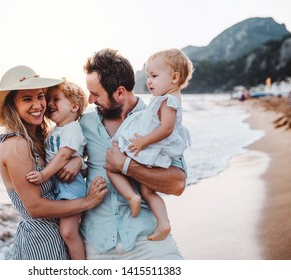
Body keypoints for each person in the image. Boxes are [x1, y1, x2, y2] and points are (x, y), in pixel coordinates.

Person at [0, 65, 107, 260]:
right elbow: (36, 208)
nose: (38, 105)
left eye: (40, 96)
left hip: (58, 236)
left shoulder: (39, 139)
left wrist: (76, 160)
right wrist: (88, 202)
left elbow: (64, 156)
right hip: (41, 243)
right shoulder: (16, 145)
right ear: (12, 106)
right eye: (27, 99)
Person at [78, 48, 187, 259]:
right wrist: (74, 162)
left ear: (119, 92)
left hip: (148, 239)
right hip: (97, 244)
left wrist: (126, 166)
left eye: (95, 94)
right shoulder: (84, 124)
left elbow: (178, 184)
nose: (89, 100)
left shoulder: (158, 119)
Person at [107, 48, 192, 241]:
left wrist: (143, 141)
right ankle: (163, 223)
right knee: (147, 189)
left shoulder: (169, 100)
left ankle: (133, 198)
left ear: (174, 77)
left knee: (112, 165)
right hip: (154, 146)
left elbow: (166, 129)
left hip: (153, 147)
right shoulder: (166, 98)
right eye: (148, 76)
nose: (149, 81)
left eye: (154, 76)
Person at [26, 80, 89, 260]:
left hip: (71, 186)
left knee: (68, 232)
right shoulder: (56, 130)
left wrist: (43, 175)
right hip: (59, 185)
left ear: (74, 106)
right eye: (49, 99)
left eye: (56, 99)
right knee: (66, 231)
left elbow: (63, 156)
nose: (50, 104)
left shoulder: (72, 128)